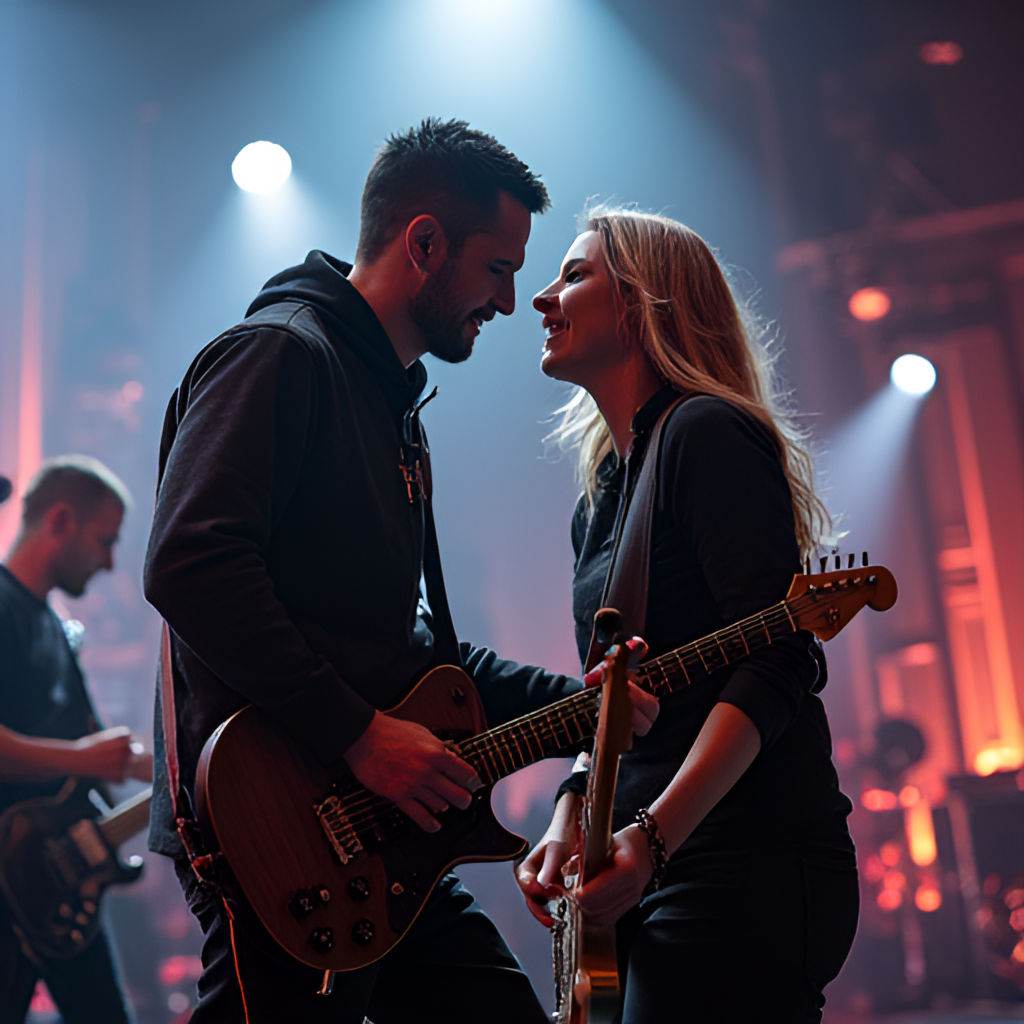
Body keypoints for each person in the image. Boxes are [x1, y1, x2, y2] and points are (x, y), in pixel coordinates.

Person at [143, 119, 657, 1024]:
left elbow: (405, 652)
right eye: (497, 268)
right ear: (424, 242)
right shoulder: (279, 355)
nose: (509, 302)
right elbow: (190, 562)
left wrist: (586, 698)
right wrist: (359, 735)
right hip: (278, 828)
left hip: (376, 834)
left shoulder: (390, 406)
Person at [516, 208, 859, 1024]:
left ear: (643, 303)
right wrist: (570, 812)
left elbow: (778, 661)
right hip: (645, 861)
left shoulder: (708, 432)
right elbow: (609, 699)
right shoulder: (600, 497)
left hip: (745, 856)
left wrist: (654, 839)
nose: (540, 297)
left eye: (574, 275)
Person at [0, 454, 151, 1024]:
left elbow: (97, 750)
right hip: (9, 876)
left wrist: (192, 769)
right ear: (60, 520)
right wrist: (80, 757)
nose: (111, 562)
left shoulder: (56, 628)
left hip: (57, 877)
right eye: (104, 540)